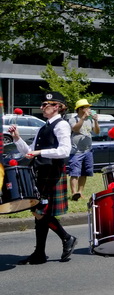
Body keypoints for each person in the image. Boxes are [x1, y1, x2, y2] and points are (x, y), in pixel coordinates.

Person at [11, 92, 77, 265]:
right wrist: (17, 138)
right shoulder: (44, 127)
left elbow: (64, 150)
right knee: (37, 211)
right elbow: (29, 152)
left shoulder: (61, 125)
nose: (41, 107)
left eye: (45, 104)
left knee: (40, 211)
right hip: (42, 172)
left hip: (53, 172)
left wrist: (40, 152)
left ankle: (66, 238)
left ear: (57, 106)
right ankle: (40, 252)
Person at [67, 98, 100, 201]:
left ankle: (80, 192)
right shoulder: (73, 119)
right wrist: (82, 118)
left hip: (88, 150)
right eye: (87, 107)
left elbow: (97, 132)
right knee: (74, 173)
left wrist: (95, 120)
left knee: (84, 173)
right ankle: (74, 193)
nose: (89, 109)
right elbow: (75, 129)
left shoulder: (90, 120)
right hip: (76, 151)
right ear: (81, 109)